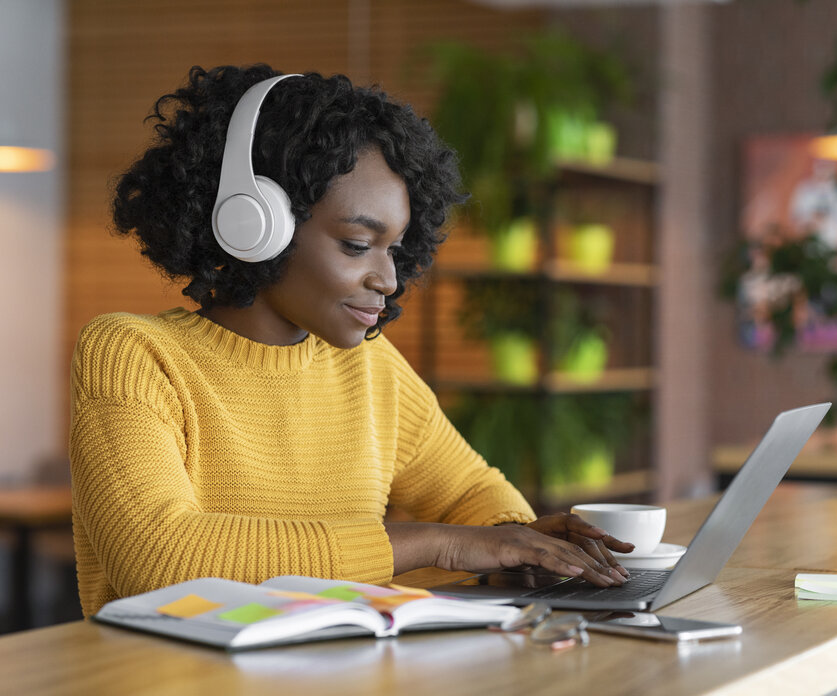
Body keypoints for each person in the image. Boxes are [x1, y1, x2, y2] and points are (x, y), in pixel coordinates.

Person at [69, 64, 632, 618]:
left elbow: (475, 495)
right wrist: (441, 544)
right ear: (255, 224)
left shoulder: (369, 367)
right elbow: (158, 558)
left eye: (395, 249)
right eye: (358, 244)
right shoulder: (132, 355)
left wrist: (518, 539)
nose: (388, 280)